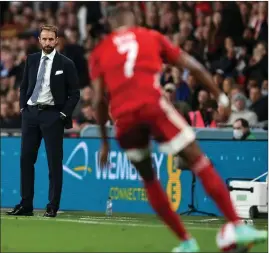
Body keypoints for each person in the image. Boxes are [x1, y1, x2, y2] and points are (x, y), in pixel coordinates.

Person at [90, 7, 267, 252]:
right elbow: (192, 65)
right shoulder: (149, 36)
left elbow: (98, 100)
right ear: (136, 21)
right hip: (152, 106)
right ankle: (236, 225)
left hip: (124, 118)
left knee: (149, 178)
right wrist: (220, 96)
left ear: (111, 26)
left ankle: (186, 241)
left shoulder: (100, 51)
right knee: (198, 161)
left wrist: (104, 142)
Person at [6, 25, 80, 218]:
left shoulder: (66, 64)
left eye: (50, 39)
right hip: (30, 114)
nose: (47, 42)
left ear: (56, 41)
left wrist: (63, 115)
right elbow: (24, 87)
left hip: (52, 116)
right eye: (44, 39)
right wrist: (23, 108)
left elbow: (74, 94)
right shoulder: (30, 60)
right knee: (25, 160)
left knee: (54, 162)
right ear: (39, 40)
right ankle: (26, 204)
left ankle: (52, 205)